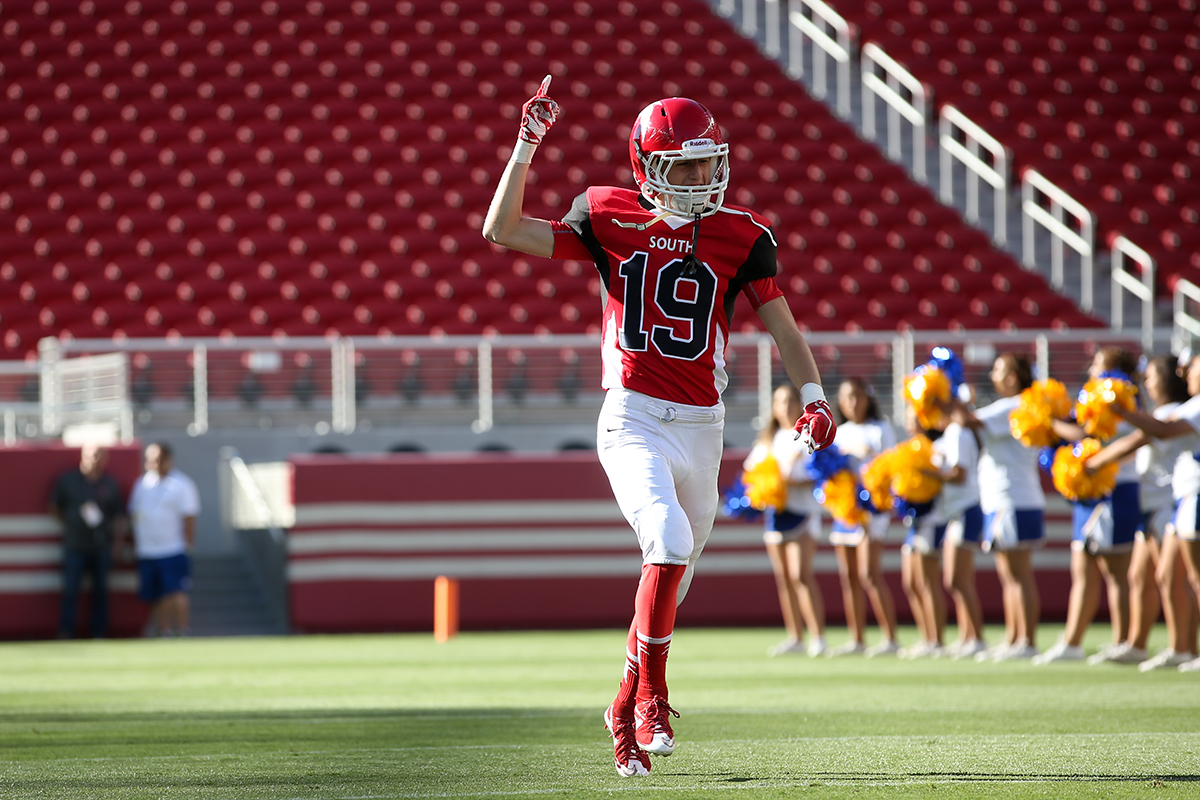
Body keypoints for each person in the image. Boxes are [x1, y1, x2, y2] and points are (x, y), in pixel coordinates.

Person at [483, 78, 835, 777]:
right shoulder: (607, 212)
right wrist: (526, 146)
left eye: (709, 163)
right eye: (686, 166)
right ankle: (653, 697)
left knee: (672, 580)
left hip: (704, 426)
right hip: (634, 417)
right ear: (647, 167)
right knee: (668, 542)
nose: (702, 178)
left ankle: (620, 707)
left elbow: (784, 329)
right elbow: (503, 231)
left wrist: (817, 397)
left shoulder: (743, 234)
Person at [1088, 353, 1200, 672]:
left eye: (1151, 377)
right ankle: (1159, 646)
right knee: (1154, 576)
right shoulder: (1183, 408)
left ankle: (1185, 647)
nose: (1146, 383)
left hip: (1172, 501)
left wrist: (1122, 413)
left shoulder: (1176, 411)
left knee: (1184, 578)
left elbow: (1151, 435)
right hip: (1169, 502)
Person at [1035, 347, 1143, 665]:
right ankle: (1073, 642)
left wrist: (1051, 423)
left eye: (1099, 363)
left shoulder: (1120, 400)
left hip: (1116, 489)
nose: (1092, 367)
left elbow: (1086, 437)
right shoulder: (1095, 398)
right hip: (1090, 493)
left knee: (1115, 573)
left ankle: (1123, 640)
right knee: (1082, 568)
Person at [951, 353, 1044, 662]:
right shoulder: (1014, 406)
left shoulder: (1013, 405)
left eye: (998, 370)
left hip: (1013, 499)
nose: (992, 374)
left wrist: (953, 397)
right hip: (1006, 500)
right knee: (1009, 575)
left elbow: (966, 419)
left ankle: (1026, 641)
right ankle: (1014, 637)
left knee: (1019, 574)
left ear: (1013, 378)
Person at [746, 384, 827, 657]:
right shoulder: (766, 441)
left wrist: (790, 481)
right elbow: (753, 477)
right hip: (776, 516)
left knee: (801, 575)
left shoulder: (806, 437)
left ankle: (818, 636)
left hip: (803, 512)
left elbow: (819, 475)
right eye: (780, 401)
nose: (785, 407)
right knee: (784, 579)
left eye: (791, 401)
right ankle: (795, 636)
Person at [826, 377, 900, 657]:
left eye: (857, 396)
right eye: (847, 397)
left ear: (868, 398)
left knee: (870, 574)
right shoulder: (838, 432)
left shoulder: (880, 429)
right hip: (845, 511)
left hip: (872, 510)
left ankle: (890, 639)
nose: (853, 402)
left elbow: (889, 466)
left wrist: (866, 455)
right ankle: (857, 639)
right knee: (849, 577)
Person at [49, 444, 126, 639]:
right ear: (82, 457)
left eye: (99, 456)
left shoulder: (110, 483)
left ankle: (99, 632)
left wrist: (117, 545)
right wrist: (72, 522)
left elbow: (118, 516)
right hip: (75, 545)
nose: (95, 460)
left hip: (101, 546)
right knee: (70, 590)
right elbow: (54, 507)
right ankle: (66, 631)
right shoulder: (69, 479)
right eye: (91, 456)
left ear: (106, 459)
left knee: (101, 592)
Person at [128, 442, 200, 637]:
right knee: (155, 594)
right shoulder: (141, 484)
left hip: (173, 548)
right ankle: (163, 630)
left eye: (158, 459)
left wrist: (187, 545)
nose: (153, 464)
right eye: (150, 460)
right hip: (147, 550)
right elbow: (134, 514)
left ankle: (182, 629)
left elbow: (189, 518)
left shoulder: (181, 484)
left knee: (176, 592)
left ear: (168, 460)